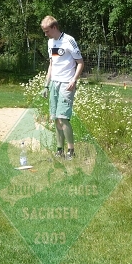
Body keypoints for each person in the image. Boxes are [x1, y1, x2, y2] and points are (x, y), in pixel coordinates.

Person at [40, 15, 84, 160]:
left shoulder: (69, 40)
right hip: (54, 83)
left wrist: (74, 80)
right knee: (55, 118)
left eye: (47, 31)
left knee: (63, 118)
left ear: (54, 27)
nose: (45, 34)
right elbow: (51, 64)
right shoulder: (50, 43)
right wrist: (46, 85)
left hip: (66, 84)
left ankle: (71, 151)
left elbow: (80, 63)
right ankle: (60, 151)